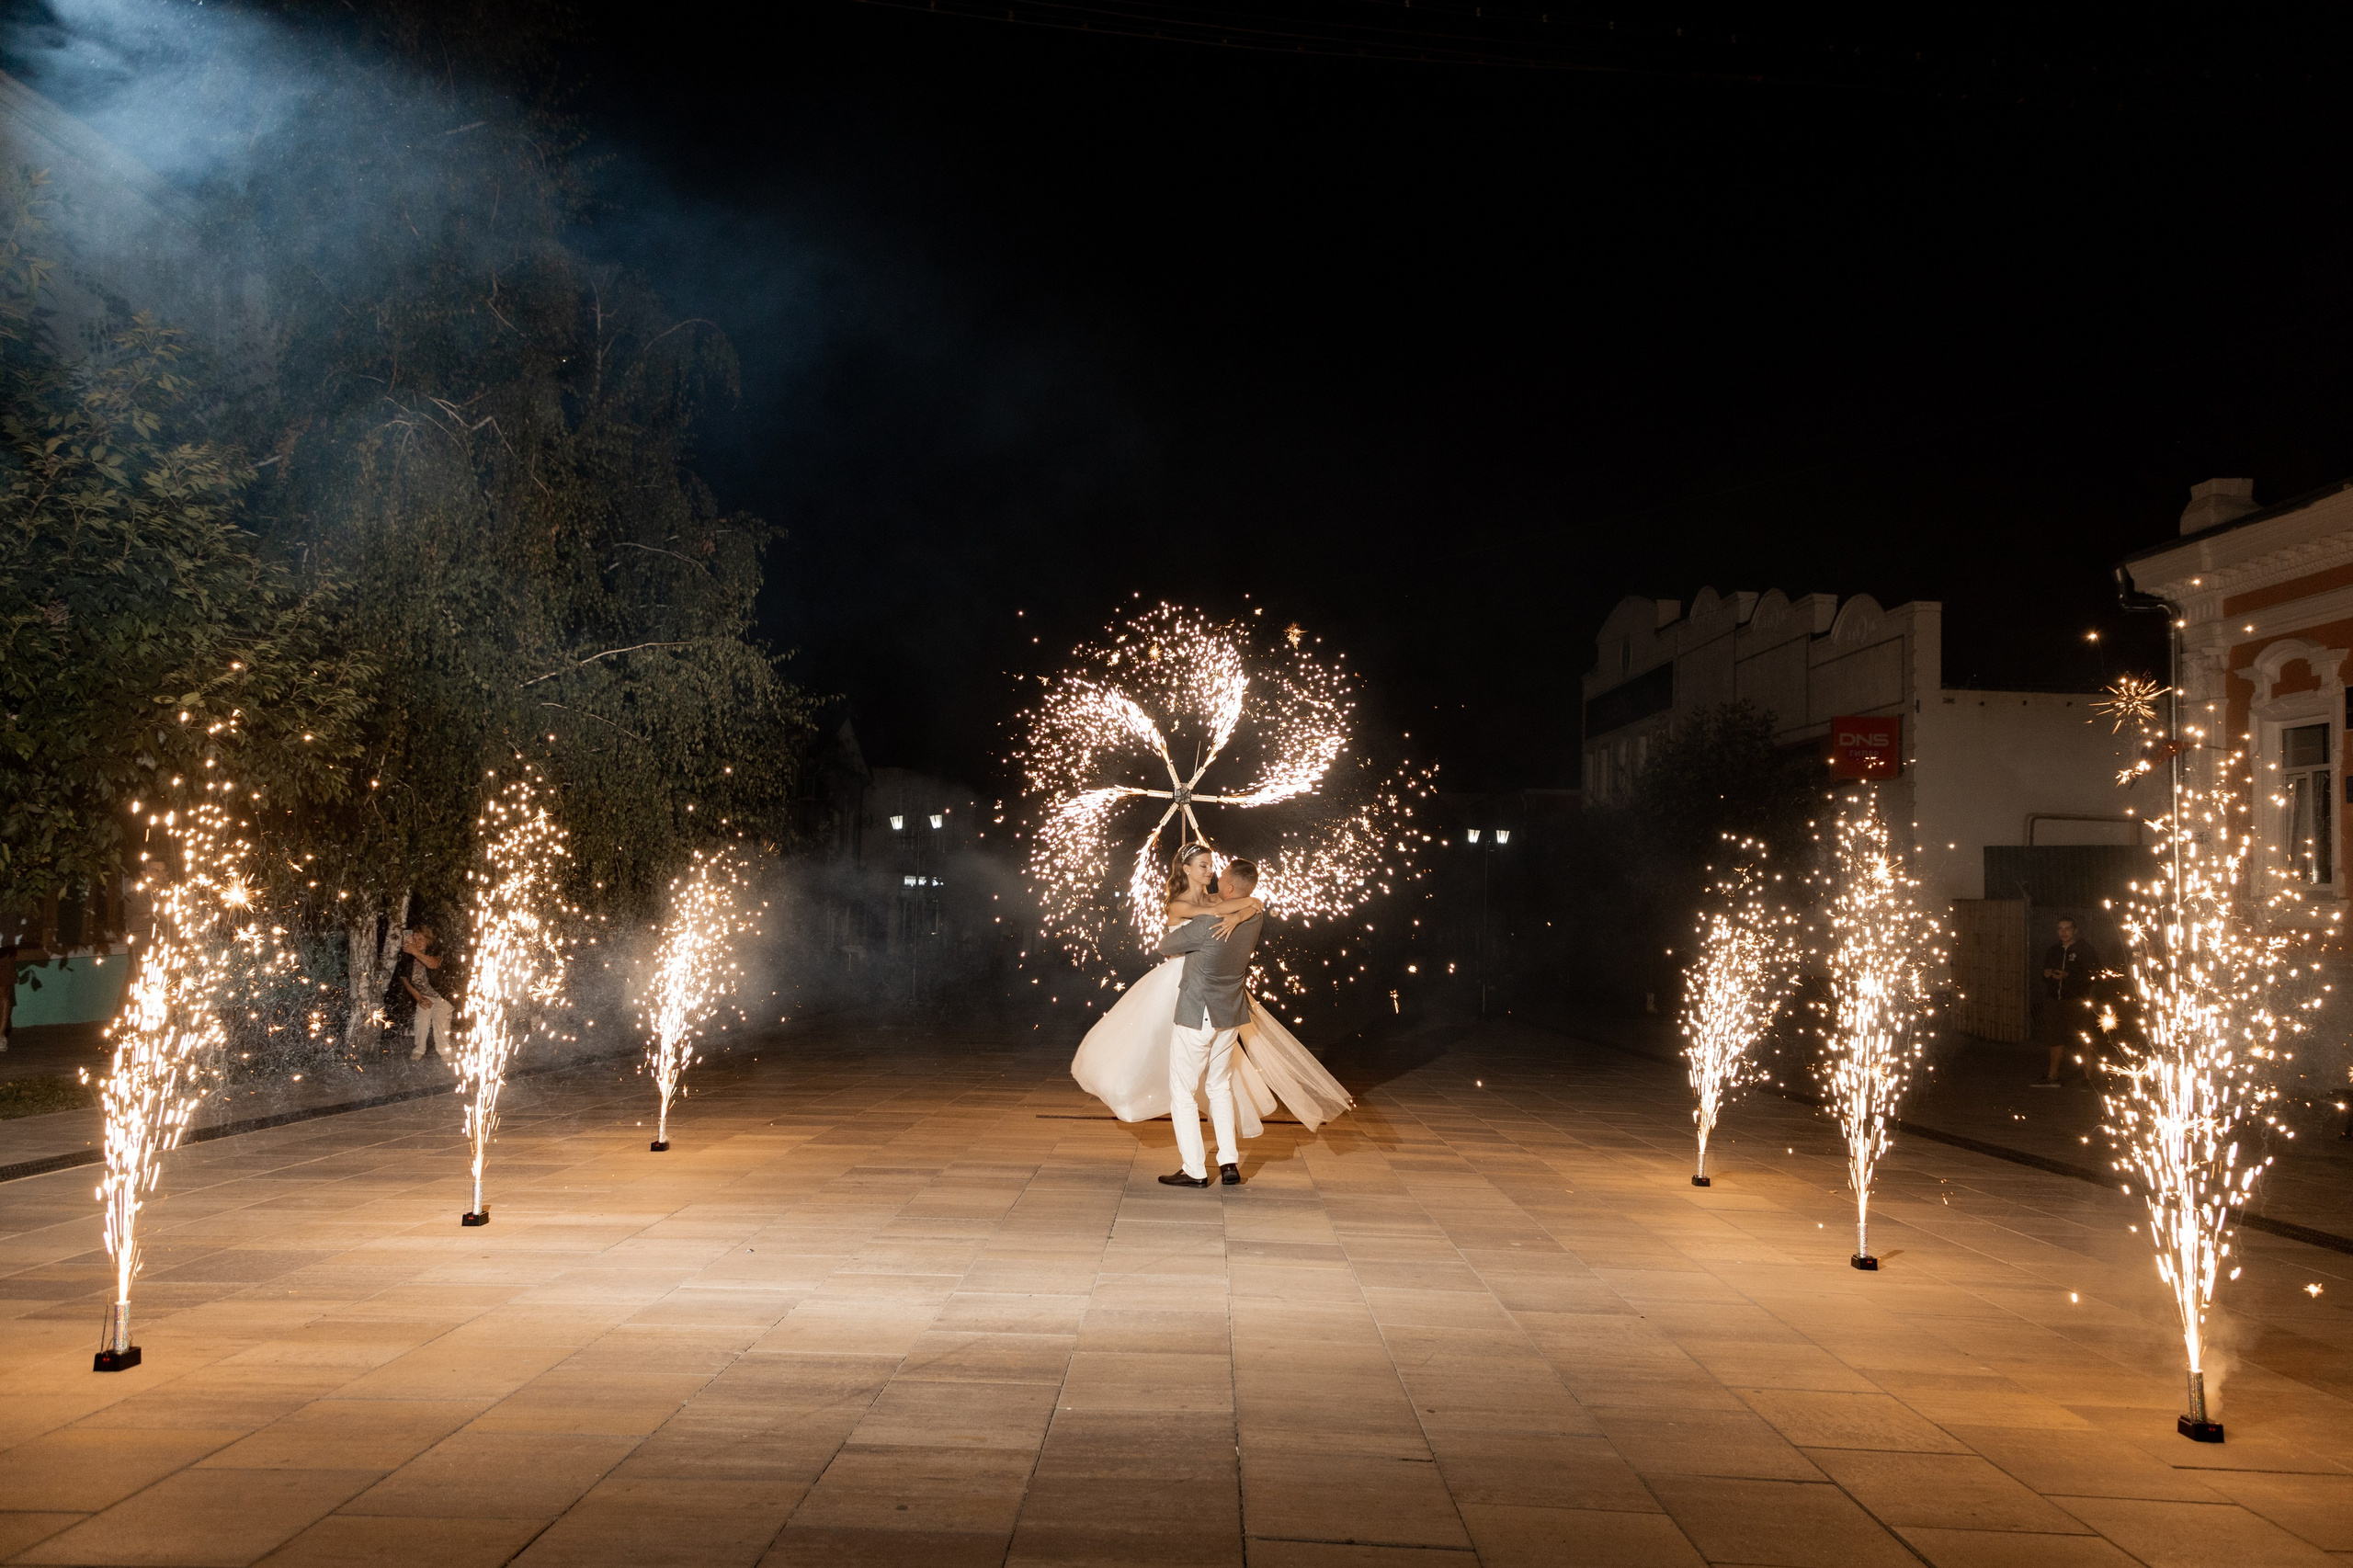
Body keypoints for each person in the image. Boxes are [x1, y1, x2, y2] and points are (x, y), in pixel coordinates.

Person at [1069, 843, 1356, 1178]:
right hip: (1203, 996)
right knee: (1213, 1082)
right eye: (1203, 866)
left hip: (1199, 999)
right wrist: (1237, 912)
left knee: (1190, 1089)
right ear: (1186, 869)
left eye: (1211, 866)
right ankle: (1228, 1163)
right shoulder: (1181, 904)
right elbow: (1249, 904)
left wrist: (1235, 913)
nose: (1210, 872)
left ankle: (1195, 1170)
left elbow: (1250, 902)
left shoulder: (1218, 904)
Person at [2032, 917, 2098, 1086]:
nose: (2063, 932)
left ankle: (2088, 1077)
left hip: (2077, 999)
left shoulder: (2085, 949)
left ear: (2075, 930)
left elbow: (2093, 975)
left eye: (2067, 928)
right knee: (2054, 1037)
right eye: (2060, 929)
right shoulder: (2053, 950)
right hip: (2054, 999)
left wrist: (2069, 976)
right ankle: (2052, 1076)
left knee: (2084, 1037)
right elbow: (2044, 974)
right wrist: (2046, 975)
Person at [392, 925, 454, 1062]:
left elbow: (433, 964)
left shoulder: (437, 951)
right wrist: (418, 997)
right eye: (414, 938)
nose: (417, 942)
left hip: (443, 995)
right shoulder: (407, 956)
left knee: (440, 1019)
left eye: (421, 939)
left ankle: (445, 1052)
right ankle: (419, 1049)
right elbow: (404, 978)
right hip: (424, 994)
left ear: (428, 941)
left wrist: (415, 951)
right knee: (421, 1019)